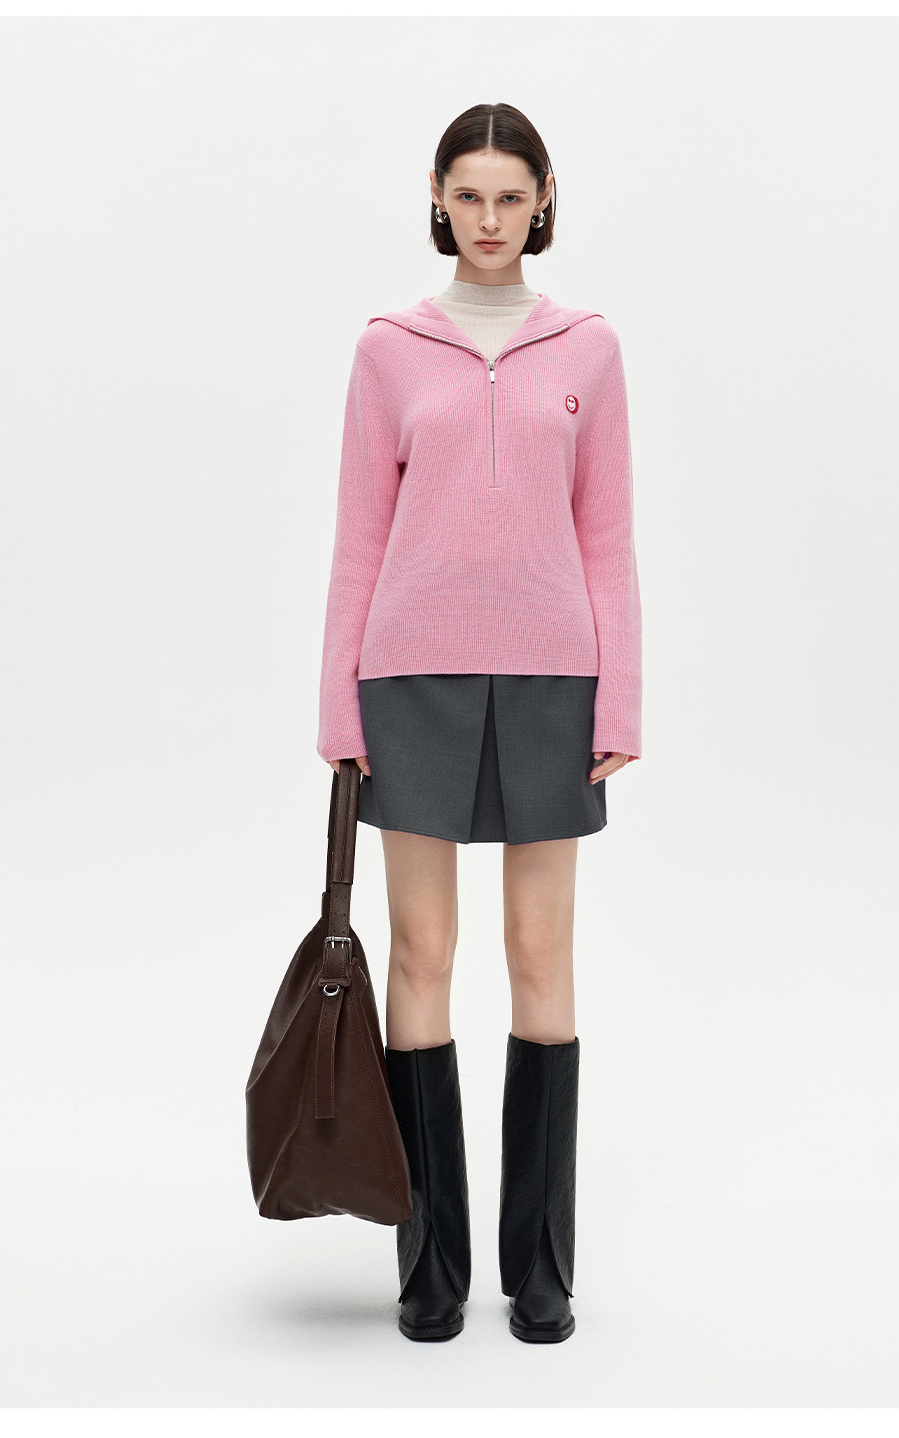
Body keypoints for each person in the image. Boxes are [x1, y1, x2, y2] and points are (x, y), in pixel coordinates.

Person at [317, 102, 641, 1344]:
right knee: (421, 953)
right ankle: (431, 1264)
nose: (490, 220)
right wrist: (337, 701)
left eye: (511, 197)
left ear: (543, 198)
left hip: (556, 680)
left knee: (540, 950)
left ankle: (540, 1267)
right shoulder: (388, 351)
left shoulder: (589, 350)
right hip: (410, 679)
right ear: (438, 197)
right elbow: (359, 536)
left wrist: (622, 695)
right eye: (470, 196)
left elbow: (607, 535)